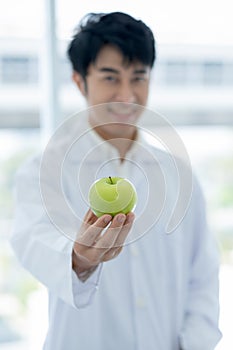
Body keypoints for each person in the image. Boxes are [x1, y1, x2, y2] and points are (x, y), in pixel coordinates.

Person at [10, 12, 222, 350]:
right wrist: (79, 259)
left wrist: (193, 343)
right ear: (80, 81)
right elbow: (31, 243)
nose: (127, 95)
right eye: (110, 78)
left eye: (139, 77)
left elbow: (203, 278)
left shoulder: (179, 174)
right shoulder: (44, 170)